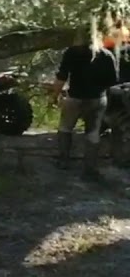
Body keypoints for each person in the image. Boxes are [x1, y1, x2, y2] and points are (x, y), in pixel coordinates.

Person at [53, 32, 120, 178]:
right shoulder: (107, 55)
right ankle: (90, 169)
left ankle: (64, 161)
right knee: (93, 133)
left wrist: (54, 96)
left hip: (74, 98)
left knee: (65, 127)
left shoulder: (72, 53)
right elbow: (112, 82)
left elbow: (61, 77)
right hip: (97, 99)